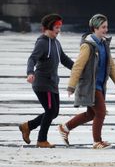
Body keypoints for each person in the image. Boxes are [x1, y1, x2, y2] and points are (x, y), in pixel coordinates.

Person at [58, 14, 115, 149]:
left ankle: (65, 128)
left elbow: (111, 66)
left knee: (91, 114)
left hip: (99, 85)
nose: (106, 30)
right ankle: (97, 141)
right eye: (103, 27)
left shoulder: (104, 44)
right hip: (90, 86)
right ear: (95, 28)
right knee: (100, 112)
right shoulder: (88, 46)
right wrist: (71, 86)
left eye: (106, 27)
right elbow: (78, 66)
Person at [19, 13, 74, 148]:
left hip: (53, 83)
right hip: (42, 83)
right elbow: (32, 59)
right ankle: (41, 140)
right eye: (56, 27)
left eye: (59, 27)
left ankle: (28, 126)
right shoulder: (42, 43)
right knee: (50, 111)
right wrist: (30, 73)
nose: (59, 30)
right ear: (49, 27)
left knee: (54, 112)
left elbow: (64, 59)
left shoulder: (56, 43)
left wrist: (78, 69)